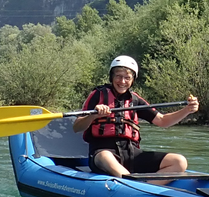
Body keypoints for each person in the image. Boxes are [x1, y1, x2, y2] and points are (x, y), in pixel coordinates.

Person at [71, 55, 200, 178]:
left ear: (133, 80)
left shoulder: (135, 100)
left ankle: (147, 187)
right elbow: (77, 127)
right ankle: (130, 182)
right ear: (111, 77)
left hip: (131, 154)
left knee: (179, 161)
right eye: (118, 76)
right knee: (105, 156)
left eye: (127, 78)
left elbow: (163, 121)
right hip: (102, 152)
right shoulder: (98, 95)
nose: (122, 81)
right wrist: (93, 115)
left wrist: (187, 110)